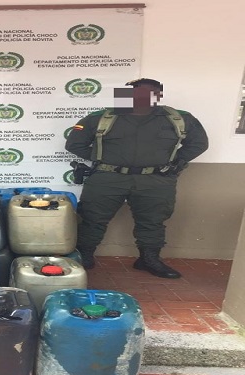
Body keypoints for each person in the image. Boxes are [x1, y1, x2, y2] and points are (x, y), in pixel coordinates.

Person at [65, 78, 208, 278]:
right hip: (108, 178)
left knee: (153, 221)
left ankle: (149, 259)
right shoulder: (101, 118)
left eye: (147, 93)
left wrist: (177, 161)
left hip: (156, 179)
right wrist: (103, 159)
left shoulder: (179, 118)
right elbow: (74, 144)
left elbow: (199, 143)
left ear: (158, 95)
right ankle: (84, 256)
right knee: (92, 218)